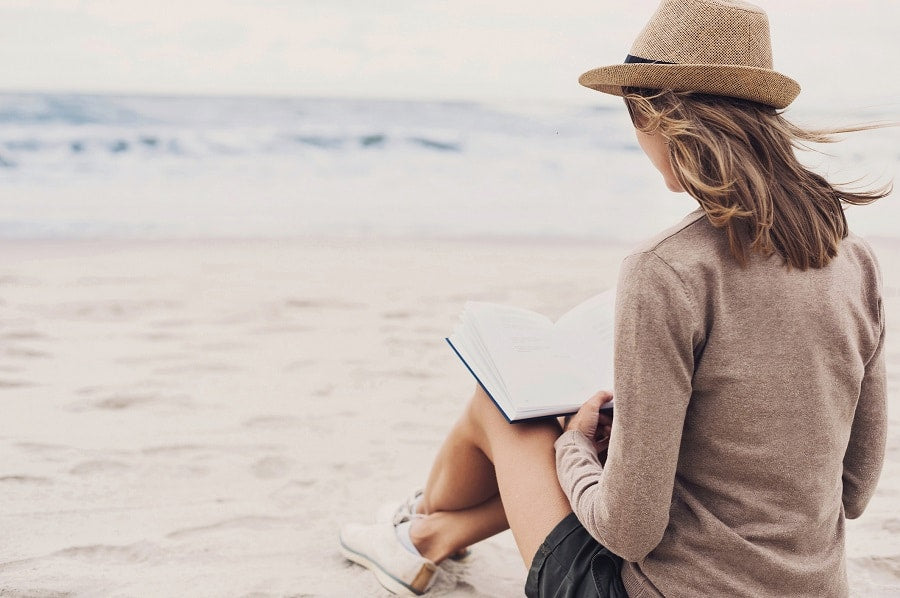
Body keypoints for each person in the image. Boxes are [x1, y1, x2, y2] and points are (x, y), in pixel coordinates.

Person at [339, 0, 889, 595]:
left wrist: (575, 446)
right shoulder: (855, 261)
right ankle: (433, 534)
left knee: (497, 404)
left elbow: (629, 533)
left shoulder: (668, 268)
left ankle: (416, 534)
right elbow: (853, 490)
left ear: (660, 117)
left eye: (632, 112)